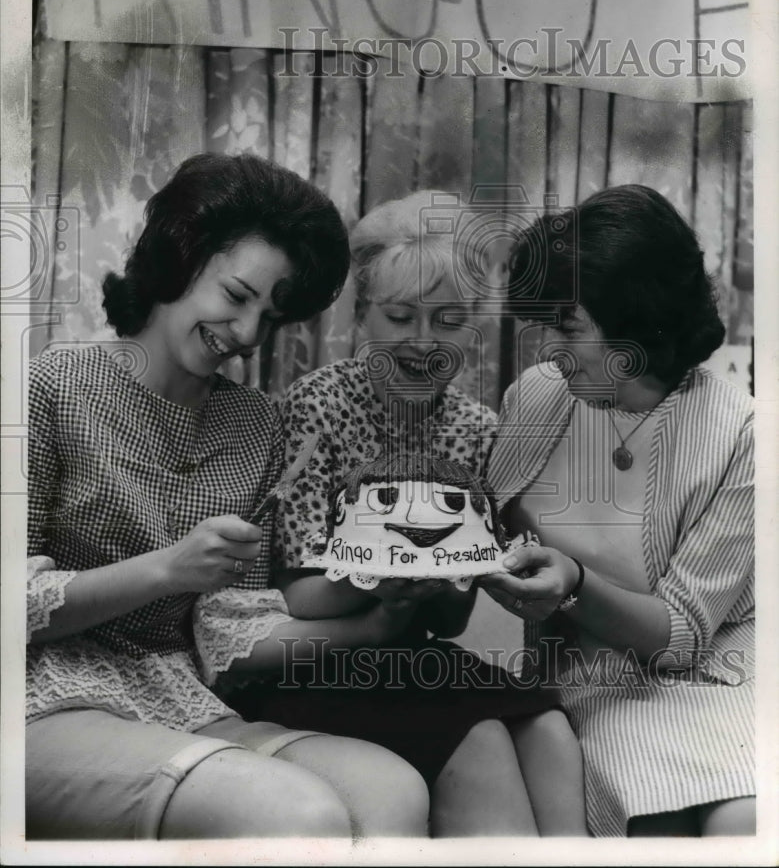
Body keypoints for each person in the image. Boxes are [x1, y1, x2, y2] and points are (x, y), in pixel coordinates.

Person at [25, 153, 431, 840]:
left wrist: (377, 621)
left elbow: (229, 630)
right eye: (238, 295)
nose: (245, 336)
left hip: (182, 702)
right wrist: (165, 570)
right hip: (39, 702)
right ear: (179, 256)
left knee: (391, 790)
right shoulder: (51, 387)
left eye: (270, 319)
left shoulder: (256, 425)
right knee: (298, 815)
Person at [223, 190, 588, 837]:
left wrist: (459, 578)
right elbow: (298, 594)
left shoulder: (477, 429)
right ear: (363, 315)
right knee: (479, 743)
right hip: (318, 661)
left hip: (412, 651)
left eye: (448, 320)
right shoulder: (316, 408)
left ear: (473, 326)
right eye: (399, 316)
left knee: (548, 728)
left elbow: (448, 620)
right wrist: (379, 579)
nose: (423, 342)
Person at [483, 184, 755, 838]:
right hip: (589, 676)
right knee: (654, 814)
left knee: (743, 818)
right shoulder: (538, 398)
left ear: (636, 323)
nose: (549, 348)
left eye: (568, 328)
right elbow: (487, 525)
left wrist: (572, 583)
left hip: (717, 675)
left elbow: (683, 633)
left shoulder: (741, 433)